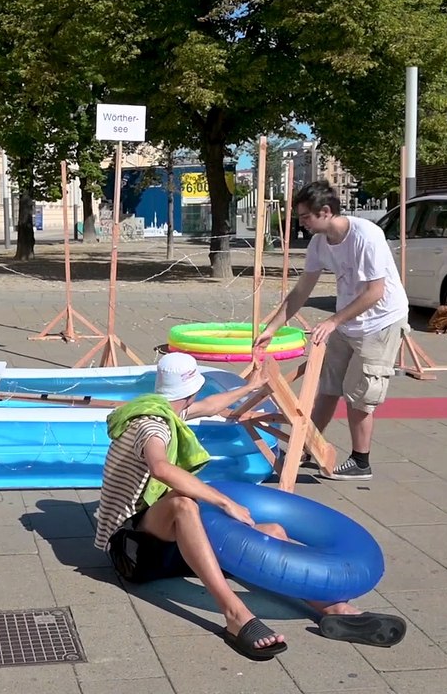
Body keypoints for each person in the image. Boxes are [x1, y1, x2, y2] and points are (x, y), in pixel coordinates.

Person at [94, 351, 407, 660]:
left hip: (167, 548)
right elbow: (161, 468)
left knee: (272, 530)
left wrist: (249, 386)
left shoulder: (167, 410)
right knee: (183, 504)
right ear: (192, 389)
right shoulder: (153, 426)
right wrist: (224, 502)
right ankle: (235, 615)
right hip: (132, 551)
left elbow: (209, 406)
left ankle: (332, 608)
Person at [255, 181, 410, 482]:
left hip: (380, 321)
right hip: (347, 320)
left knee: (360, 394)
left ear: (325, 212)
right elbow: (301, 291)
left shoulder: (367, 236)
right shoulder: (319, 244)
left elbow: (375, 292)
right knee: (327, 387)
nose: (301, 223)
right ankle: (305, 447)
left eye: (304, 217)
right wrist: (271, 328)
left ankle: (360, 461)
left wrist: (333, 321)